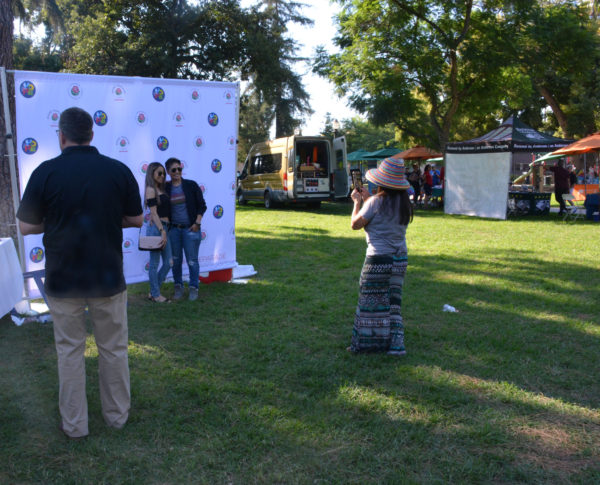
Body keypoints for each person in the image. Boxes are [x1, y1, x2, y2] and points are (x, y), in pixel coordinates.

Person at [17, 107, 143, 439]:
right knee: (113, 349)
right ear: (91, 134)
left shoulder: (46, 171)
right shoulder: (116, 170)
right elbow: (136, 219)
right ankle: (117, 417)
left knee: (70, 351)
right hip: (107, 278)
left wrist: (58, 221)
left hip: (64, 279)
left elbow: (27, 225)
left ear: (62, 136)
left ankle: (75, 425)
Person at [348, 157, 413, 356]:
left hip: (378, 259)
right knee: (393, 302)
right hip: (399, 258)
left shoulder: (375, 202)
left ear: (382, 181)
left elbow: (355, 224)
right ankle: (395, 346)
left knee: (369, 302)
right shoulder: (404, 204)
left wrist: (357, 203)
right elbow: (383, 213)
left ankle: (367, 344)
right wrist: (368, 199)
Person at [165, 157, 207, 301]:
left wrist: (197, 223)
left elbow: (202, 205)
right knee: (176, 261)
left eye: (179, 169)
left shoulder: (191, 185)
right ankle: (178, 288)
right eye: (174, 170)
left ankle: (194, 288)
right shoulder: (165, 188)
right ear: (168, 172)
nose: (177, 172)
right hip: (174, 231)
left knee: (192, 261)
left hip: (191, 230)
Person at [144, 162, 172, 303]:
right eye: (159, 173)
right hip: (157, 228)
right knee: (154, 264)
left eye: (163, 173)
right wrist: (162, 231)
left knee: (169, 262)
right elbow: (153, 214)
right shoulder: (150, 189)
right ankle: (156, 295)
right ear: (152, 174)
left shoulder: (162, 189)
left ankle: (153, 291)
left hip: (165, 227)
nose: (162, 176)